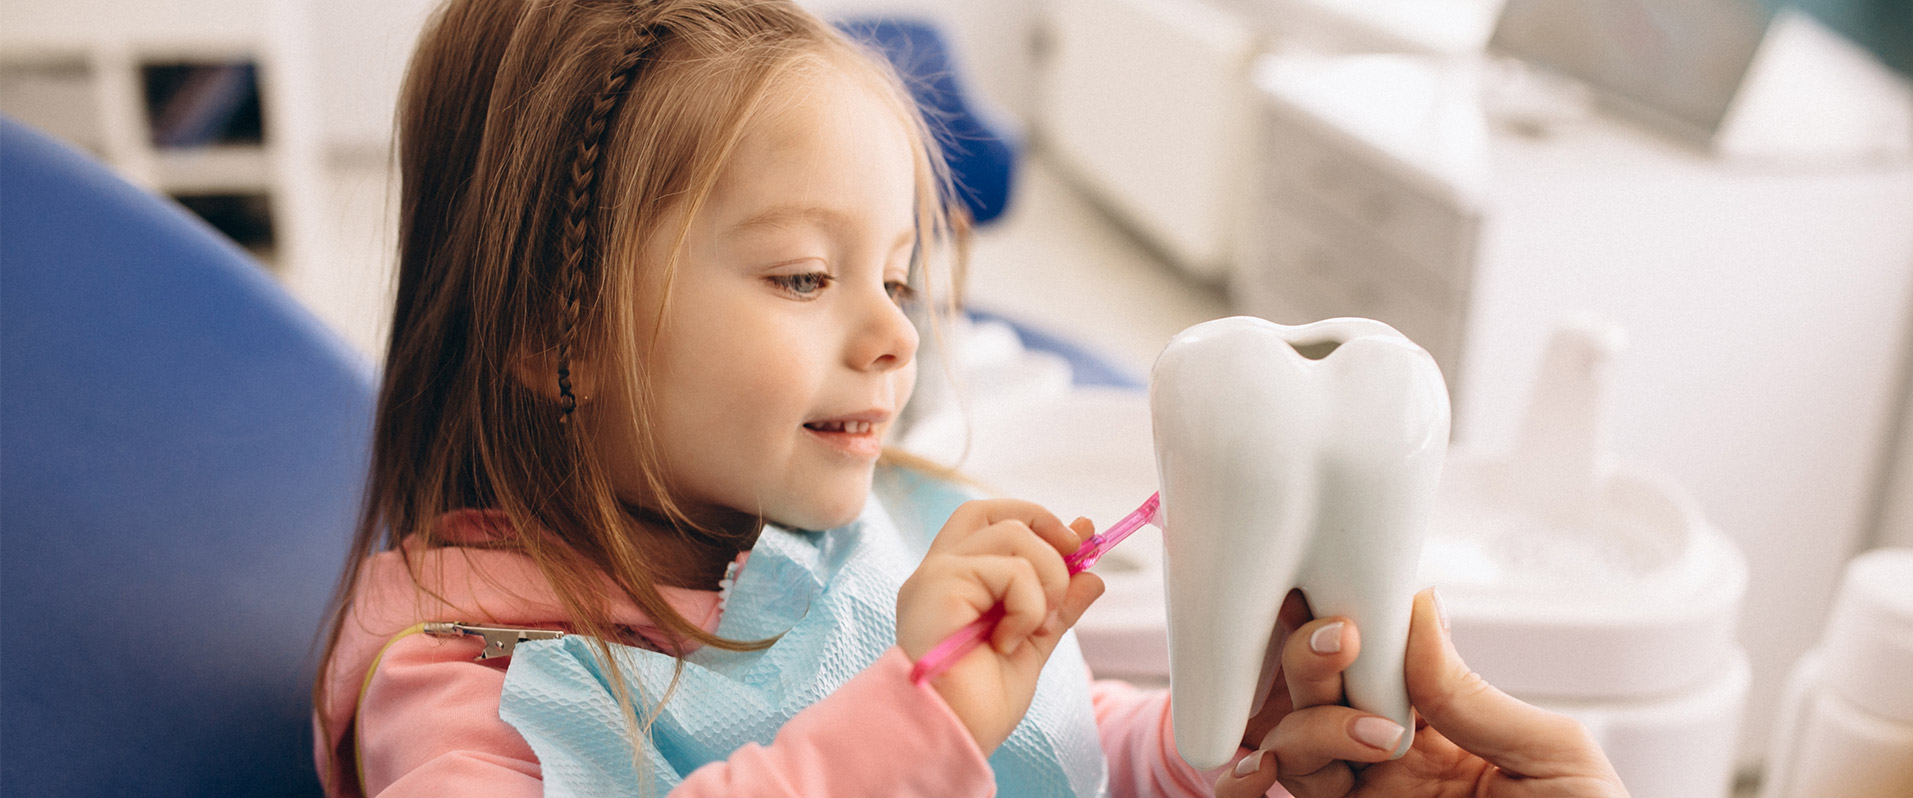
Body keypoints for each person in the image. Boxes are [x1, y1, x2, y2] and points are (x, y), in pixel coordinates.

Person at [311, 1, 1630, 796]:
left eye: (894, 273)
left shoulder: (839, 535)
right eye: (805, 274)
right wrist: (918, 712)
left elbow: (1053, 741)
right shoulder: (458, 681)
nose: (894, 332)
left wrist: (1201, 748)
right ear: (558, 331)